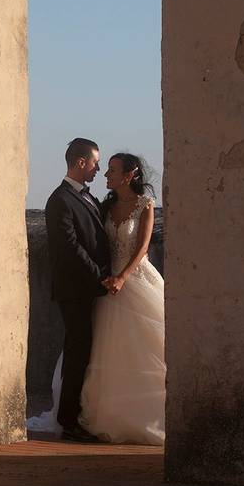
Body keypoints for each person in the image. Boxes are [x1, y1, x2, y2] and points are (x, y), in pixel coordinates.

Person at [79, 152, 165, 445]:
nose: (106, 175)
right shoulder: (106, 206)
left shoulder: (145, 205)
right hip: (108, 282)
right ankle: (111, 414)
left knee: (146, 346)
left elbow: (142, 248)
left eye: (112, 170)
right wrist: (106, 276)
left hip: (135, 277)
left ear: (130, 174)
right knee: (108, 347)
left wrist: (123, 277)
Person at [40, 138, 111, 443]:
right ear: (81, 162)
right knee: (77, 352)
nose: (98, 168)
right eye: (95, 162)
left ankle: (75, 414)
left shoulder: (87, 197)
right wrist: (99, 277)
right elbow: (69, 247)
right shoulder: (60, 200)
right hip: (75, 289)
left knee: (84, 350)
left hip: (90, 287)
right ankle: (68, 420)